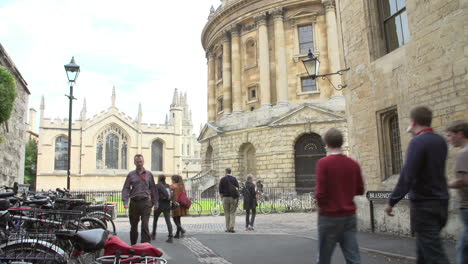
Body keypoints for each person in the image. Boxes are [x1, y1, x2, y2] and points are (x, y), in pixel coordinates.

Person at [385, 106, 450, 264]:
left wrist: (392, 201)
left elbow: (408, 176)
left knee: (434, 254)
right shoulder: (440, 141)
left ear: (413, 122)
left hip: (424, 205)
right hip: (441, 203)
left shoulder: (417, 142)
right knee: (424, 251)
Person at [315, 128, 364, 264]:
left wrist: (322, 207)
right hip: (349, 216)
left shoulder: (323, 163)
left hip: (329, 216)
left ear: (327, 144)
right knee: (353, 257)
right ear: (341, 143)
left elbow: (320, 193)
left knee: (324, 258)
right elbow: (360, 189)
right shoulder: (353, 164)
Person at [122, 154, 157, 245]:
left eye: (140, 161)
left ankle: (145, 246)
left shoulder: (149, 174)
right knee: (133, 226)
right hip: (134, 203)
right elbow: (126, 188)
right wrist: (125, 201)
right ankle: (133, 246)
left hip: (145, 202)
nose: (139, 163)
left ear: (143, 162)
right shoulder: (131, 175)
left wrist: (155, 202)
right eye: (137, 162)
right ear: (134, 163)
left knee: (145, 225)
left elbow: (153, 188)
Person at [446, 120, 468, 264]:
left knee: (463, 248)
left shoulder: (464, 154)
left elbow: (464, 181)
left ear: (460, 134)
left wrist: (445, 185)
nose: (448, 139)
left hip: (467, 206)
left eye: (449, 135)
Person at [151, 175, 173, 243]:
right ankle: (170, 235)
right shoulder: (168, 186)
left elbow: (154, 195)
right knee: (168, 221)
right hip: (166, 204)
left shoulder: (157, 186)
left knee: (155, 220)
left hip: (159, 204)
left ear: (158, 179)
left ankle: (153, 234)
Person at [219, 168, 239, 233]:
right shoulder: (234, 179)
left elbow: (220, 190)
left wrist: (222, 197)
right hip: (233, 197)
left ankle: (227, 227)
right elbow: (237, 187)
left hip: (225, 197)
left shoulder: (222, 179)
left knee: (226, 213)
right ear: (230, 172)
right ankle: (231, 227)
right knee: (232, 212)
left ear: (226, 172)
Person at [170, 174, 188, 239]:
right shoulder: (182, 185)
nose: (171, 180)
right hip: (181, 204)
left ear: (174, 180)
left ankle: (180, 230)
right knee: (178, 219)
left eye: (172, 179)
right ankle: (178, 232)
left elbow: (170, 194)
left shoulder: (173, 186)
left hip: (175, 203)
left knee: (175, 218)